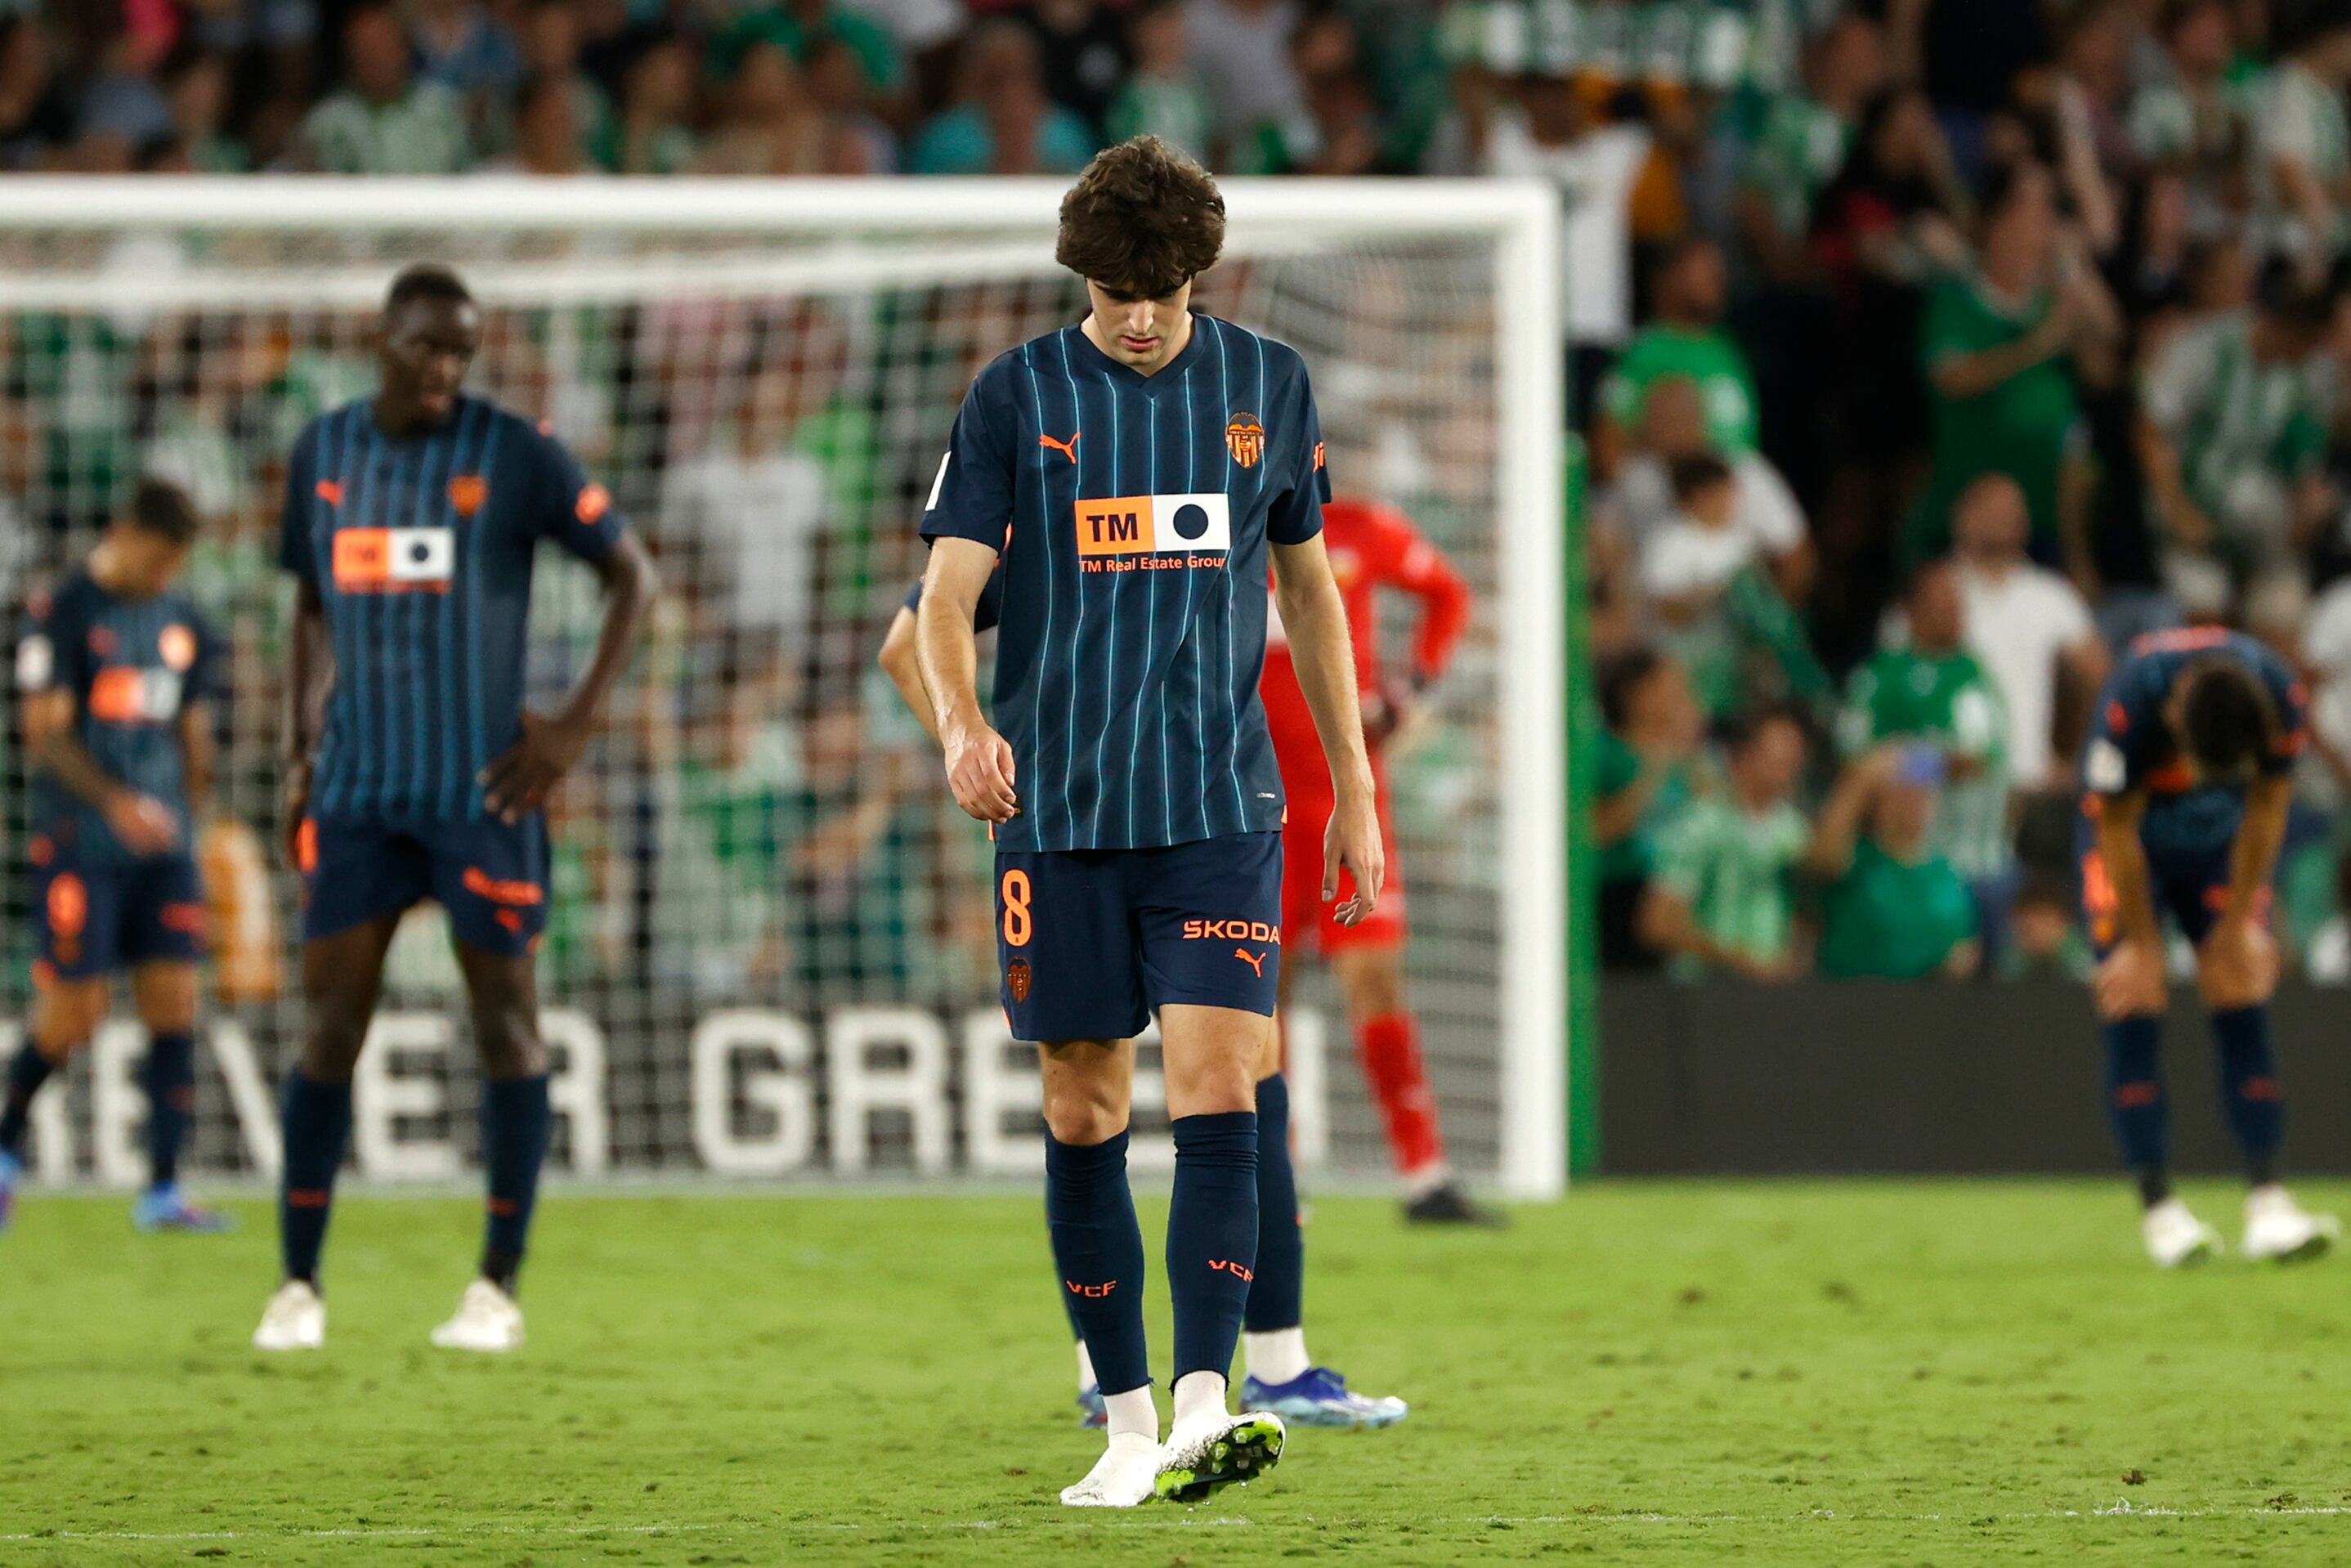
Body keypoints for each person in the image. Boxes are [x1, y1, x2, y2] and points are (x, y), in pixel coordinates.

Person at [914, 137, 1384, 1506]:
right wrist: (959, 725)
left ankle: (1201, 1399)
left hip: (1219, 806)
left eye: (1162, 291)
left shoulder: (1265, 385)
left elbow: (1310, 593)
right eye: (1116, 290)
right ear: (1080, 279)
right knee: (1082, 1102)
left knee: (1224, 1085)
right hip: (1057, 810)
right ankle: (1122, 1418)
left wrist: (1352, 786)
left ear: (1200, 276)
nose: (1137, 314)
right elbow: (943, 602)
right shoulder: (1017, 395)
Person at [880, 571, 1411, 1427]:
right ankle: (1187, 1370)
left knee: (1225, 1067)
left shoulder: (1210, 463)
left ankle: (1242, 1365)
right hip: (1091, 828)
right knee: (1102, 1093)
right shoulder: (1042, 472)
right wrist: (982, 763)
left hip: (1190, 820)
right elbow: (909, 643)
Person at [253, 263, 659, 1354]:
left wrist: (571, 725)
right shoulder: (325, 450)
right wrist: (298, 748)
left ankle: (497, 1285)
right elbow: (306, 603)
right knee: (329, 1023)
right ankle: (297, 1283)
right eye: (426, 346)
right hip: (355, 792)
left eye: (459, 352)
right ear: (383, 339)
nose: (442, 368)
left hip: (482, 792)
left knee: (505, 1025)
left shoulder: (512, 451)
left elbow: (634, 575)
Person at [0, 478, 231, 1234]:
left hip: (165, 852)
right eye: (159, 559)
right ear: (127, 533)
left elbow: (192, 732)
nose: (165, 576)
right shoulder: (64, 611)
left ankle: (163, 1189)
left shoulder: (185, 620)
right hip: (82, 844)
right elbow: (44, 731)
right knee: (78, 1009)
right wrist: (116, 805)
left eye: (176, 564)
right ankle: (4, 1152)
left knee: (175, 1002)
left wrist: (190, 817)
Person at [1256, 488, 1492, 1224]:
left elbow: (1447, 595)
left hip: (1347, 793)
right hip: (1249, 799)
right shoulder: (1212, 523)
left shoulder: (1361, 528)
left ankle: (1424, 1174)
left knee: (1376, 979)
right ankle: (1277, 1180)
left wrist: (1407, 686)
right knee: (1262, 993)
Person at [2079, 626, 2338, 1267]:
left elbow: (2268, 809)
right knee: (2134, 996)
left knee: (2239, 982)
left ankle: (2269, 1204)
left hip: (2218, 849)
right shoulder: (2131, 702)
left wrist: (2241, 922)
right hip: (2132, 848)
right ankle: (2161, 1210)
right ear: (2173, 718)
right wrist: (2141, 942)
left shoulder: (2281, 699)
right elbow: (2115, 827)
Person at [1638, 704, 1811, 983]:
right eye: (1776, 756)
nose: (1787, 768)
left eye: (1794, 757)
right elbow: (1658, 924)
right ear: (1739, 757)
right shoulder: (1697, 826)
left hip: (1771, 995)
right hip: (1703, 995)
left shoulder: (1792, 830)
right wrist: (1736, 959)